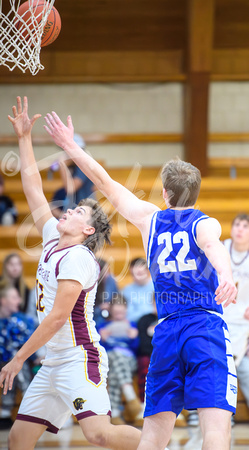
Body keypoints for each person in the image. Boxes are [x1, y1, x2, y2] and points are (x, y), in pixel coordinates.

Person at [43, 108, 238, 450]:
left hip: (166, 333)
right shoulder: (204, 222)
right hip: (203, 327)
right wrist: (226, 275)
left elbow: (104, 182)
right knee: (216, 431)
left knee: (152, 436)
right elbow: (212, 246)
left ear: (164, 193)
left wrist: (71, 147)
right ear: (195, 193)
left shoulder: (149, 220)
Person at [0, 97, 141, 450]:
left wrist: (19, 358)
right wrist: (24, 138)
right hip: (53, 361)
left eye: (79, 211)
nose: (70, 211)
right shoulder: (52, 238)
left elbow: (58, 317)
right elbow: (33, 189)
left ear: (88, 231)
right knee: (18, 439)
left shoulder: (78, 258)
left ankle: (159, 446)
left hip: (79, 358)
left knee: (99, 435)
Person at [99, 296, 142, 425]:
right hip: (109, 360)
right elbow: (98, 350)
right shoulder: (102, 326)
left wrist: (134, 338)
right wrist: (102, 339)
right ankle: (130, 396)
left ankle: (115, 413)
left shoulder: (132, 325)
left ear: (126, 310)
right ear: (110, 310)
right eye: (116, 312)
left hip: (129, 361)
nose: (119, 315)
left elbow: (137, 349)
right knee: (115, 358)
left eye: (122, 312)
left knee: (116, 362)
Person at [0, 286, 39, 430]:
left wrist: (36, 356)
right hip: (2, 361)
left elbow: (29, 341)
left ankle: (30, 410)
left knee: (17, 370)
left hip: (18, 361)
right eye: (14, 297)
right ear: (3, 301)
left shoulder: (22, 321)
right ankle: (5, 413)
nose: (19, 301)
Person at [222, 213, 249, 411]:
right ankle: (219, 417)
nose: (240, 229)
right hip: (219, 318)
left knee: (244, 369)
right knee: (219, 370)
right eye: (237, 224)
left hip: (244, 323)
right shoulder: (220, 248)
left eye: (245, 226)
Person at [50, 134, 95, 219]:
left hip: (85, 214)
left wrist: (62, 165)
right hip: (78, 211)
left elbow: (70, 189)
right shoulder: (74, 167)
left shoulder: (83, 165)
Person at [122, 258, 155, 323]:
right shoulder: (127, 290)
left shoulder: (156, 287)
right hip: (134, 324)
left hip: (153, 322)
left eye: (139, 274)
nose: (136, 277)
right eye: (133, 274)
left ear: (147, 271)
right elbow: (127, 315)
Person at [94, 258, 120, 328]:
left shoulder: (110, 280)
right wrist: (100, 308)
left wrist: (111, 306)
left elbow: (117, 297)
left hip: (111, 315)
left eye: (108, 271)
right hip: (95, 317)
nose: (107, 274)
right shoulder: (91, 284)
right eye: (105, 271)